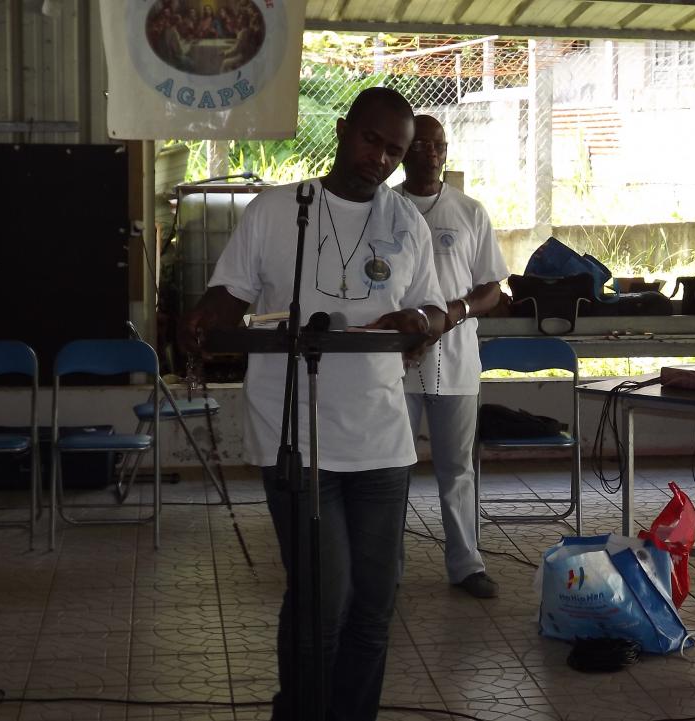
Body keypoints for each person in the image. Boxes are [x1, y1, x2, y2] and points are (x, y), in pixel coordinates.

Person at [179, 87, 446, 721]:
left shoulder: (405, 222)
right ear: (342, 128)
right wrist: (203, 321)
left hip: (381, 439)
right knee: (322, 599)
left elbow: (433, 308)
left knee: (374, 603)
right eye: (371, 140)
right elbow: (229, 295)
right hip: (295, 433)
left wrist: (421, 322)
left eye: (395, 151)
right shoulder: (278, 210)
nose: (380, 159)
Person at [396, 115, 508, 599]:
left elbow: (491, 288)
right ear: (404, 150)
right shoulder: (384, 207)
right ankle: (386, 568)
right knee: (391, 469)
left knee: (457, 469)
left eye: (438, 145)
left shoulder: (469, 211)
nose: (431, 152)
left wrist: (453, 313)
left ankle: (466, 565)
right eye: (420, 144)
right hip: (395, 363)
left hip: (456, 361)